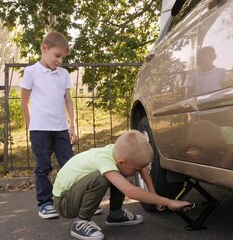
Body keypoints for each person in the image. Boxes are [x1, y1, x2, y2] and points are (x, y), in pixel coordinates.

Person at [52, 130, 191, 240]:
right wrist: (168, 202)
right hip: (64, 203)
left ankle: (116, 214)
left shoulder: (118, 154)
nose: (137, 172)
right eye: (135, 170)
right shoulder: (104, 160)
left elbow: (141, 167)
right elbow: (130, 191)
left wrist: (154, 194)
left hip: (73, 195)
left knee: (118, 174)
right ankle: (81, 222)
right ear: (122, 162)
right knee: (101, 178)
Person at [20, 31, 78, 219]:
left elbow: (68, 100)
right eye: (57, 55)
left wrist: (72, 126)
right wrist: (31, 126)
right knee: (43, 167)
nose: (60, 60)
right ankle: (45, 203)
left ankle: (77, 200)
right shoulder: (31, 72)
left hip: (61, 129)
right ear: (44, 49)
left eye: (62, 57)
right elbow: (24, 101)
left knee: (70, 165)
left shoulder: (63, 74)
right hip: (40, 130)